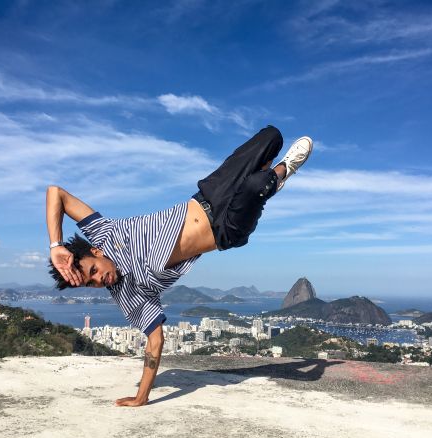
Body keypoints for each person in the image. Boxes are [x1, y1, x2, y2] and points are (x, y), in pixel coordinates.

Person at [45, 125, 313, 406]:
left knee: (271, 137)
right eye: (91, 283)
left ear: (95, 251)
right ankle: (281, 173)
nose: (99, 280)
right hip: (226, 229)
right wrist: (141, 396)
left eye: (93, 271)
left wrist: (56, 246)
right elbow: (155, 341)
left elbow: (56, 194)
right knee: (256, 186)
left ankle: (266, 177)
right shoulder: (128, 294)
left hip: (208, 196)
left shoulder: (104, 232)